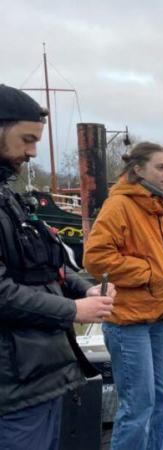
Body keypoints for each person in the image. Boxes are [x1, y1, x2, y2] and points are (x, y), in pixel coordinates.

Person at [0, 84, 115, 450]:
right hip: (13, 388)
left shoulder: (9, 199)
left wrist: (84, 288)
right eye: (27, 139)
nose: (33, 152)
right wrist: (74, 310)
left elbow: (52, 264)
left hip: (37, 376)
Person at [83, 142, 163, 450]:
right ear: (138, 170)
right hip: (128, 321)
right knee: (138, 406)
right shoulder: (120, 205)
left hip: (157, 316)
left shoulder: (156, 205)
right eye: (160, 167)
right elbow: (96, 257)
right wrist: (149, 273)